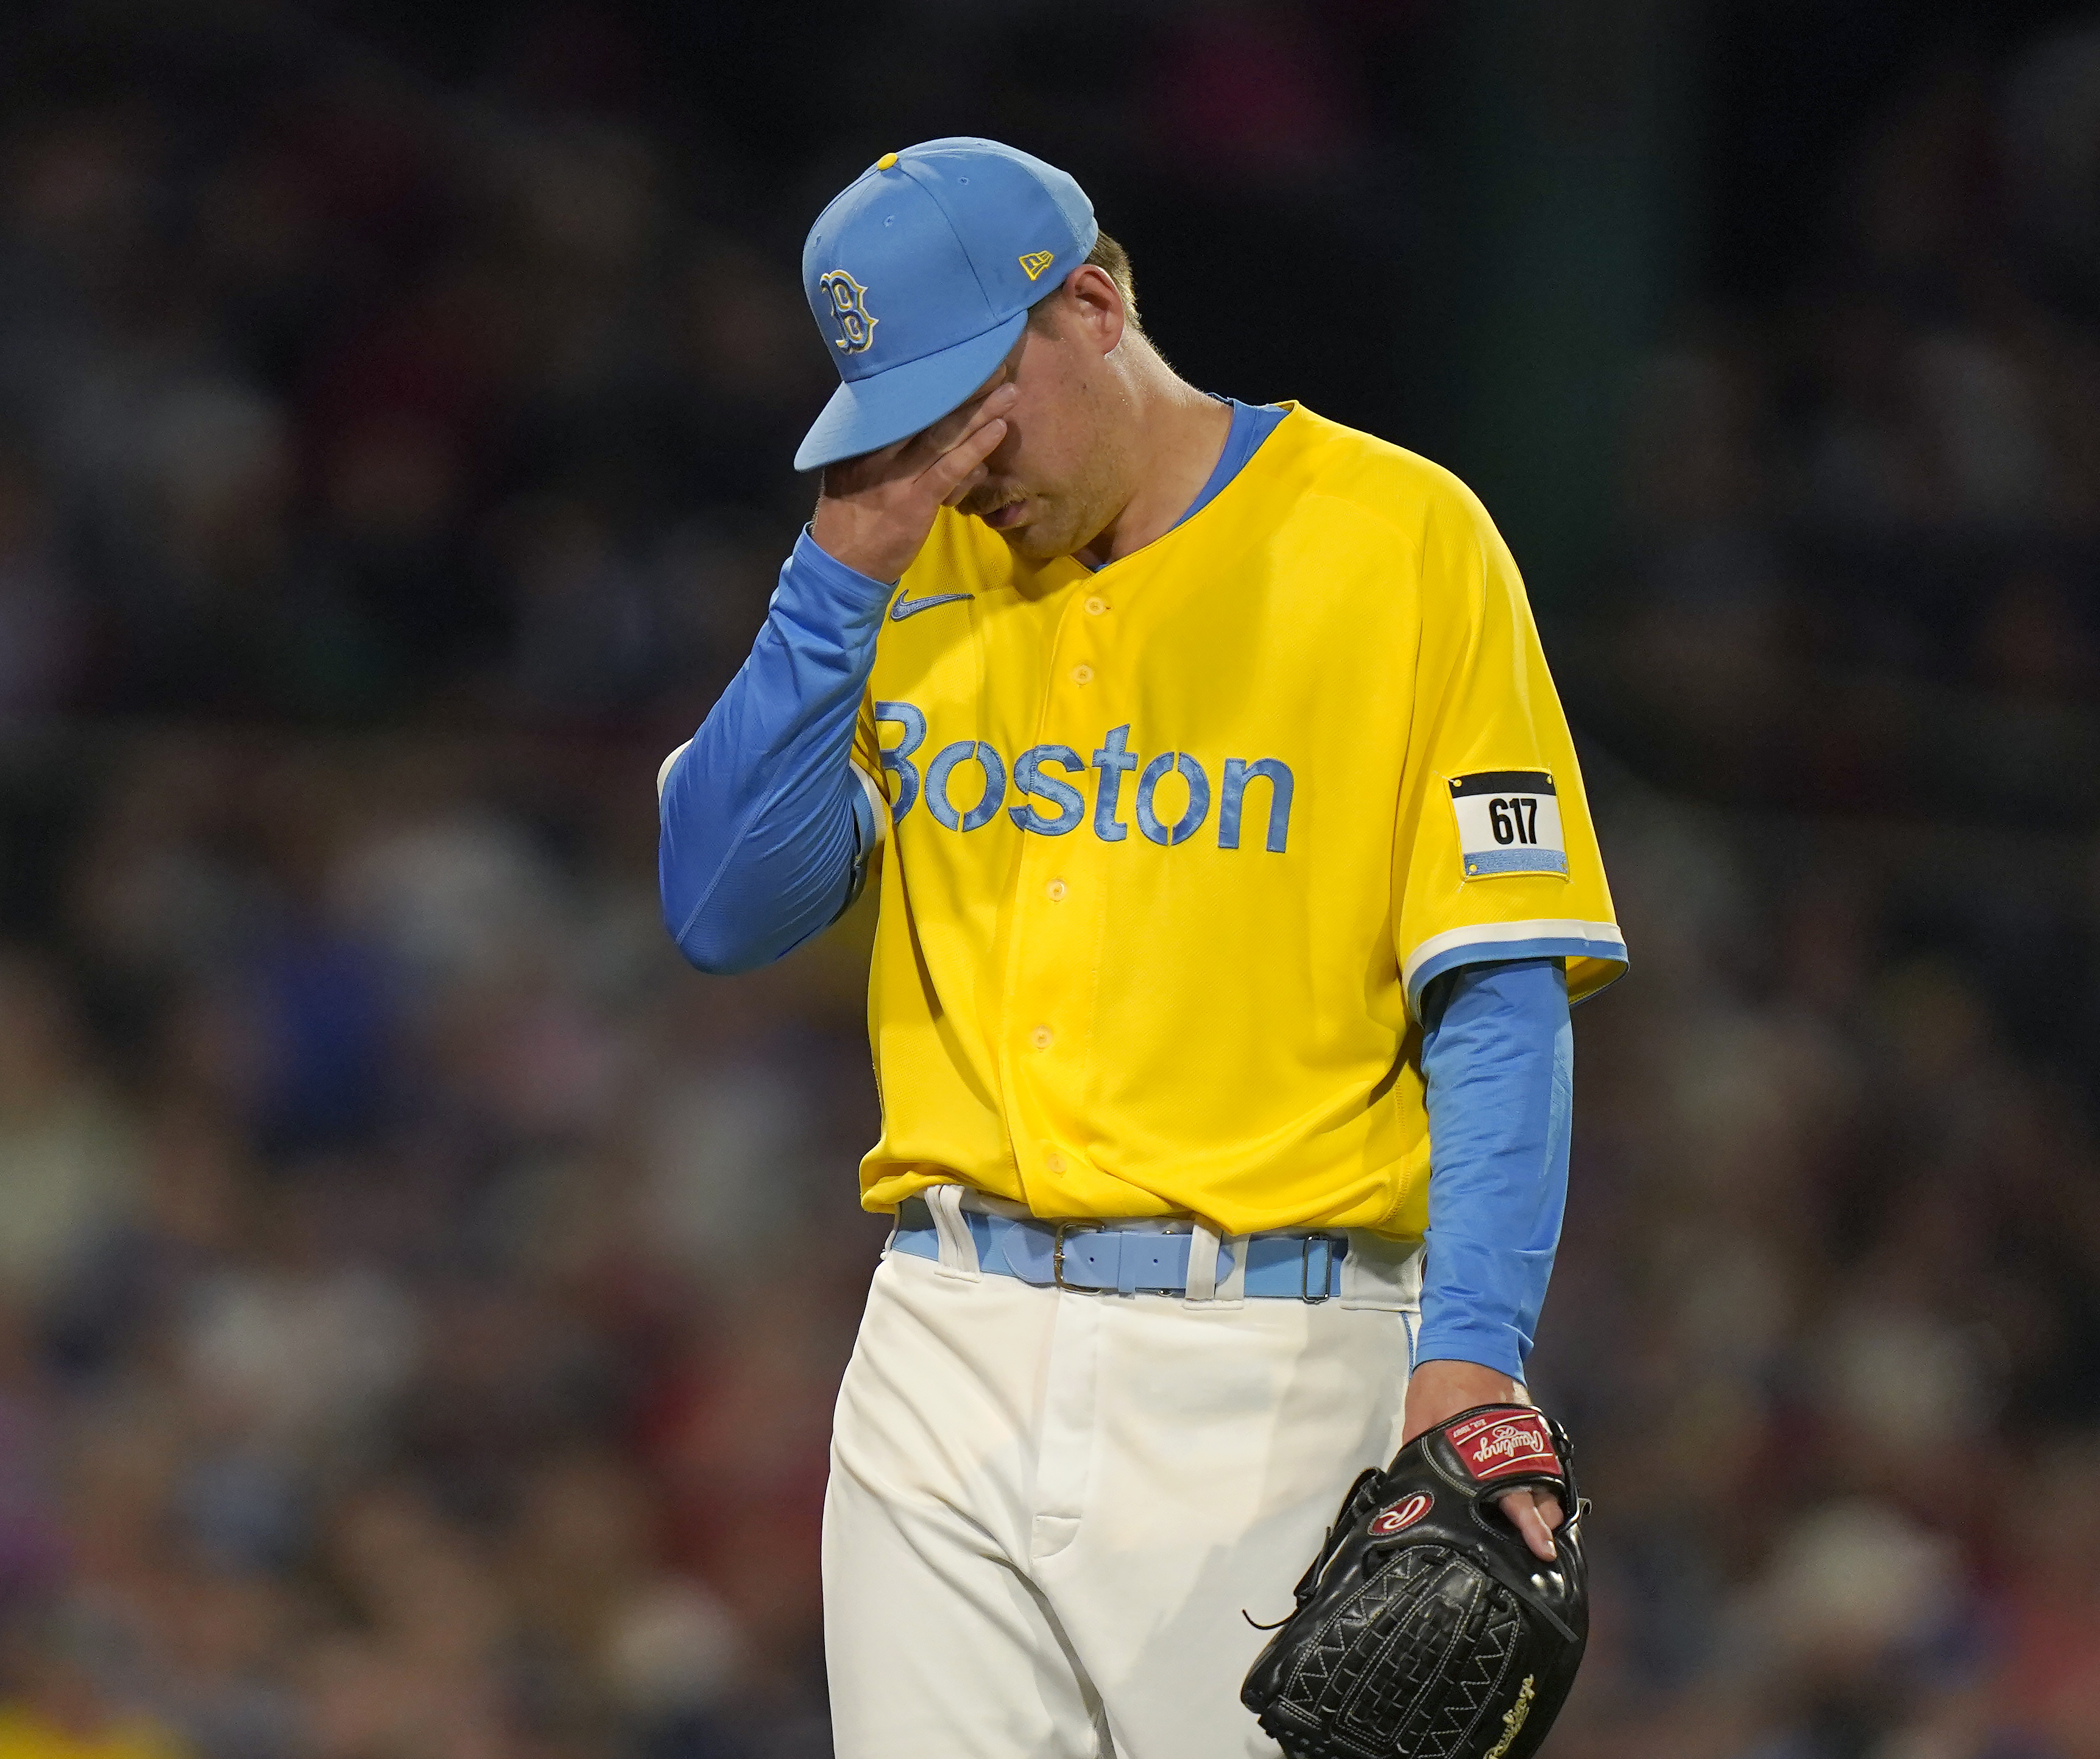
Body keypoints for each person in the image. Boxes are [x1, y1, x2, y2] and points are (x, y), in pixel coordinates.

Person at [656, 138, 1625, 1759]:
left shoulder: (1395, 542)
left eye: (972, 402)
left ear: (1090, 305)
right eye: (894, 423)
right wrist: (834, 577)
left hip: (1269, 1362)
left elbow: (1500, 998)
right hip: (938, 1342)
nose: (949, 462)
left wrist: (1471, 1356)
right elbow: (720, 909)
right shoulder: (900, 568)